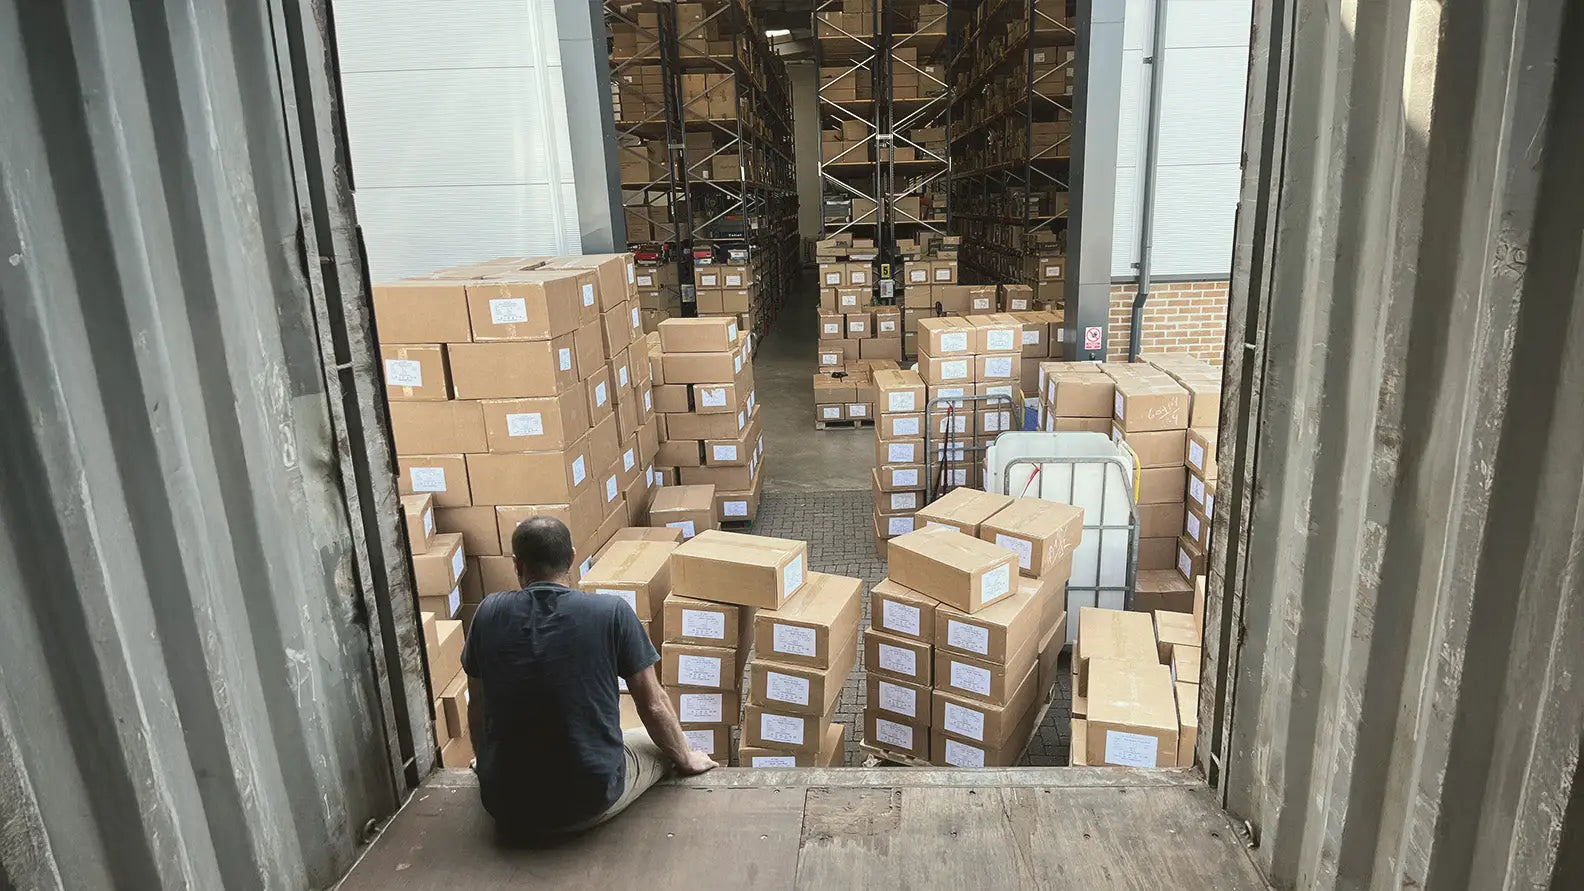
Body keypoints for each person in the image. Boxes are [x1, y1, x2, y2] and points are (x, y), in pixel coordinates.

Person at [462, 517, 716, 837]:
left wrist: (485, 759)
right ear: (571, 558)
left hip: (505, 805)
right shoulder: (611, 612)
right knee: (657, 743)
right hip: (587, 803)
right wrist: (686, 758)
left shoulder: (488, 612)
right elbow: (653, 705)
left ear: (517, 564)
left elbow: (477, 706)